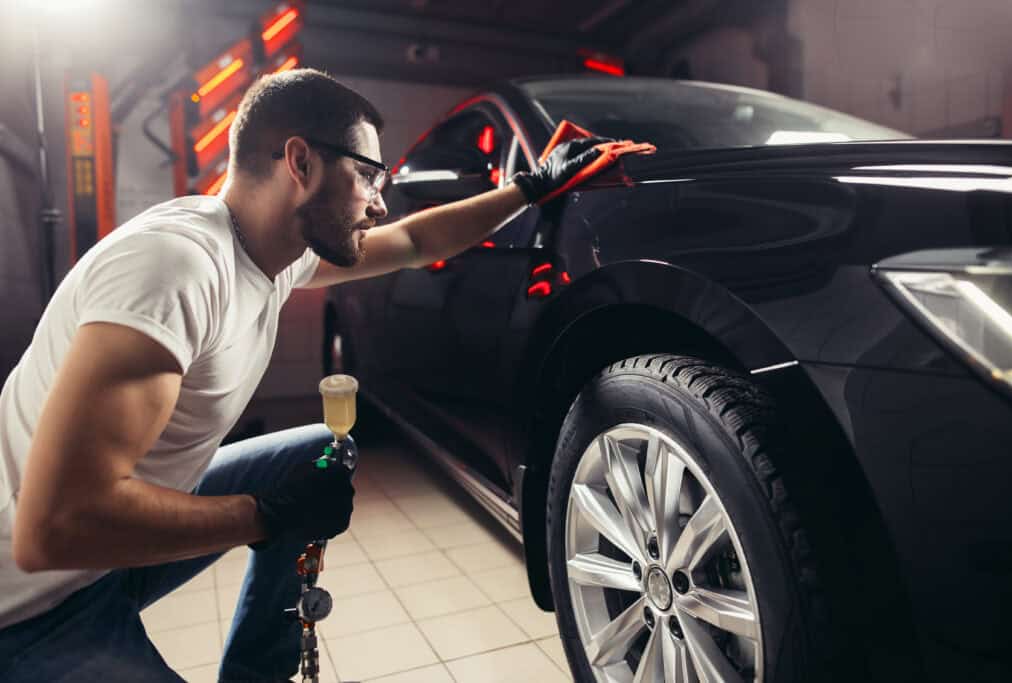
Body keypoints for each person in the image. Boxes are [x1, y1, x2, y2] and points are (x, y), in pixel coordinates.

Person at [0, 69, 610, 682]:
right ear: (301, 162)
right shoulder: (173, 270)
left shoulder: (275, 253)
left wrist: (530, 188)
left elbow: (415, 239)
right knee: (291, 494)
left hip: (104, 561)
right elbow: (54, 528)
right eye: (369, 176)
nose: (379, 202)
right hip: (31, 603)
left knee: (318, 455)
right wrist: (265, 515)